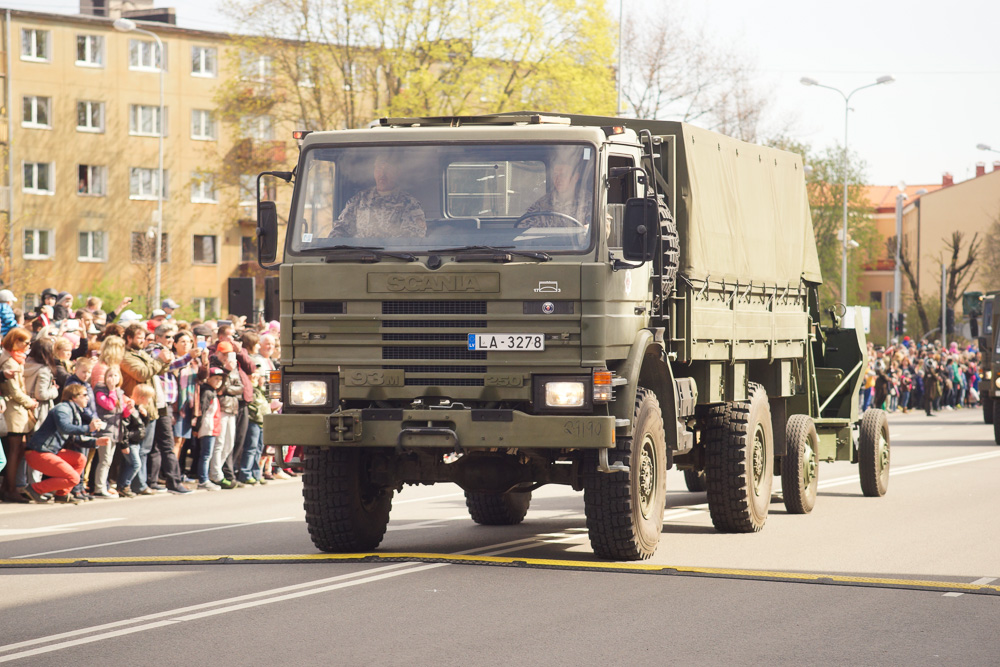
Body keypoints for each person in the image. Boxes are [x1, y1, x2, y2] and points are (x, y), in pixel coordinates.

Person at [21, 383, 110, 504]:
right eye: (84, 395)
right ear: (73, 397)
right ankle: (35, 489)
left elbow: (73, 438)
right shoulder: (62, 409)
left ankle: (62, 494)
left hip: (50, 451)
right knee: (74, 478)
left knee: (80, 459)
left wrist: (95, 442)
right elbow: (65, 428)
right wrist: (88, 428)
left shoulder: (73, 411)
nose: (87, 398)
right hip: (39, 452)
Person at [328, 153, 426, 238]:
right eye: (378, 168)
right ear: (374, 172)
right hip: (356, 257)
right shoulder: (359, 199)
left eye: (388, 169)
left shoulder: (409, 204)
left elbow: (413, 239)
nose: (382, 174)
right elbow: (340, 229)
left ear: (397, 172)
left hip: (392, 258)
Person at [1, 328, 38, 503]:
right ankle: (10, 489)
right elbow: (14, 391)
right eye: (25, 342)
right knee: (14, 452)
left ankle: (10, 487)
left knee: (16, 451)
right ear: (15, 341)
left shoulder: (14, 359)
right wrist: (30, 402)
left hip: (16, 410)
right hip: (13, 411)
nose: (27, 346)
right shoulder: (9, 362)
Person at [517, 156, 592, 228]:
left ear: (575, 177)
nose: (558, 179)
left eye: (563, 175)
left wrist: (586, 230)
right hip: (548, 241)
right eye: (555, 175)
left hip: (577, 241)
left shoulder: (590, 202)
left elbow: (595, 230)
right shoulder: (543, 202)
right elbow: (523, 225)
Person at [93, 364, 130, 498]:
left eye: (115, 375)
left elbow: (122, 413)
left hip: (115, 431)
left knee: (108, 461)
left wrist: (129, 408)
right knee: (104, 460)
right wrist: (111, 390)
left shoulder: (120, 392)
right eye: (110, 375)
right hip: (105, 430)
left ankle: (104, 485)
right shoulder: (101, 391)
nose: (112, 378)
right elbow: (108, 406)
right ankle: (99, 487)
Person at [117, 384, 155, 497]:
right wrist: (124, 444)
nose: (150, 400)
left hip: (136, 442)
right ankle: (124, 485)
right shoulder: (130, 408)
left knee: (130, 464)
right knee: (136, 464)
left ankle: (123, 485)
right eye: (149, 398)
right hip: (130, 442)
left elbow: (141, 426)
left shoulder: (138, 409)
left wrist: (145, 416)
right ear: (142, 397)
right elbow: (124, 427)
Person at [195, 367, 225, 490]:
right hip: (208, 427)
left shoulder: (213, 392)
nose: (219, 381)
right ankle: (203, 480)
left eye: (220, 379)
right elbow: (202, 410)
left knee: (207, 454)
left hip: (213, 427)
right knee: (206, 455)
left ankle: (204, 478)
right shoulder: (207, 393)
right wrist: (197, 427)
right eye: (216, 378)